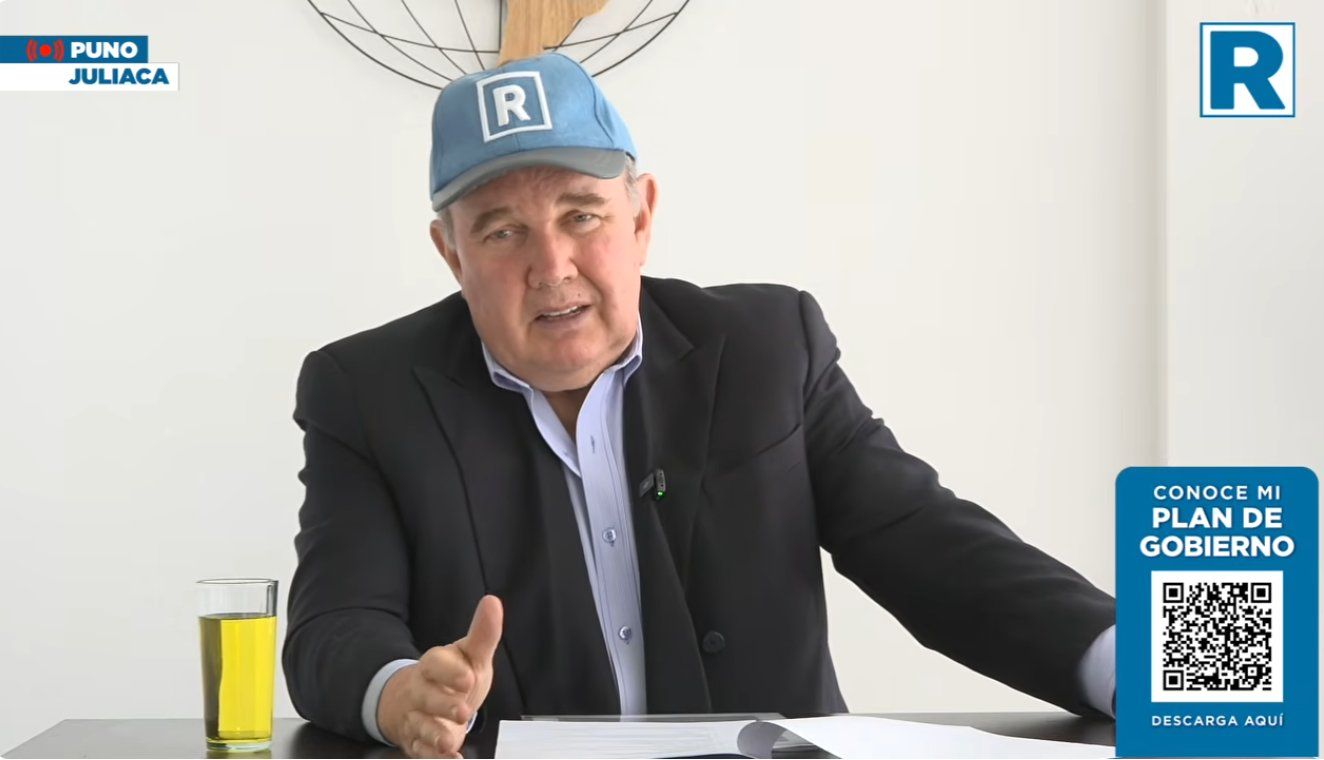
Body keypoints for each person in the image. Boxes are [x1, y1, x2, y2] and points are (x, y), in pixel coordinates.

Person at [282, 52, 1116, 758]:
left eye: (582, 216)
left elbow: (928, 543)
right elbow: (335, 625)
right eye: (503, 233)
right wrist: (401, 695)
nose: (553, 265)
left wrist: (1153, 668)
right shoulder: (368, 392)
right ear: (451, 253)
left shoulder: (767, 348)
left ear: (641, 215)